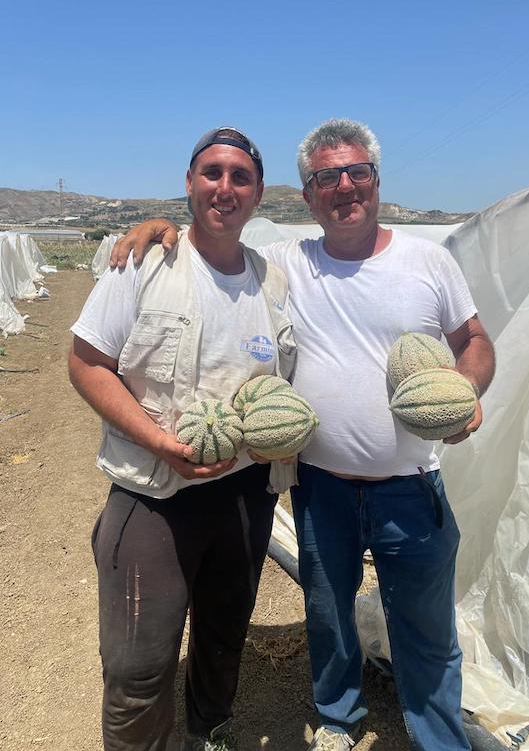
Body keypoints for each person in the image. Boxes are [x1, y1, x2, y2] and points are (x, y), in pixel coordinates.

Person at [112, 118, 496, 751]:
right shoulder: (287, 264)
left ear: (376, 180)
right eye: (325, 178)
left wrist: (466, 390)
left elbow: (474, 340)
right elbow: (216, 241)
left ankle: (440, 739)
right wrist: (160, 227)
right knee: (329, 617)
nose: (344, 186)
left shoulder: (428, 261)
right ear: (308, 195)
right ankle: (338, 720)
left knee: (426, 627)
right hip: (320, 488)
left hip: (409, 485)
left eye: (356, 172)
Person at [69, 127, 296, 751]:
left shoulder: (274, 281)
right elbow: (87, 364)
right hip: (155, 491)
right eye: (212, 172)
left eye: (240, 176)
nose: (225, 187)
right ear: (190, 182)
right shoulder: (145, 264)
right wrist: (159, 441)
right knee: (138, 667)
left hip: (245, 492)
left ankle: (209, 733)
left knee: (223, 636)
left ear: (258, 193)